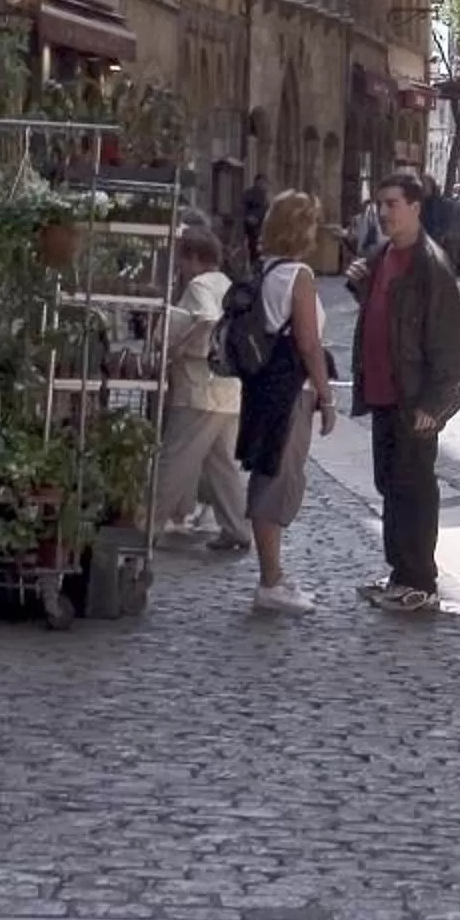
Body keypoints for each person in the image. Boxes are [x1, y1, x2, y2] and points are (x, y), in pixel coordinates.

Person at [344, 171, 460, 612]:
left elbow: (450, 343)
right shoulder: (382, 255)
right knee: (390, 484)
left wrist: (435, 405)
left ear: (416, 207)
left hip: (413, 398)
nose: (383, 212)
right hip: (384, 393)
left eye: (392, 203)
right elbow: (389, 318)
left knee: (415, 488)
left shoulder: (430, 266)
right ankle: (400, 573)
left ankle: (421, 581)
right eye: (380, 203)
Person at [231, 198, 339, 611]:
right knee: (278, 476)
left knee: (268, 470)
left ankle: (272, 575)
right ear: (301, 230)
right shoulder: (299, 276)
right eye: (312, 225)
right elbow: (309, 343)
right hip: (289, 388)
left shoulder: (264, 270)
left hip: (262, 386)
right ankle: (270, 580)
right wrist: (326, 397)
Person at [155, 228, 253, 557]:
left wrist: (176, 348)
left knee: (175, 459)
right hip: (228, 391)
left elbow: (208, 318)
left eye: (183, 258)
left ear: (195, 258)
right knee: (221, 465)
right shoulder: (226, 283)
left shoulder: (199, 286)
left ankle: (147, 525)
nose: (180, 266)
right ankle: (237, 528)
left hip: (200, 388)